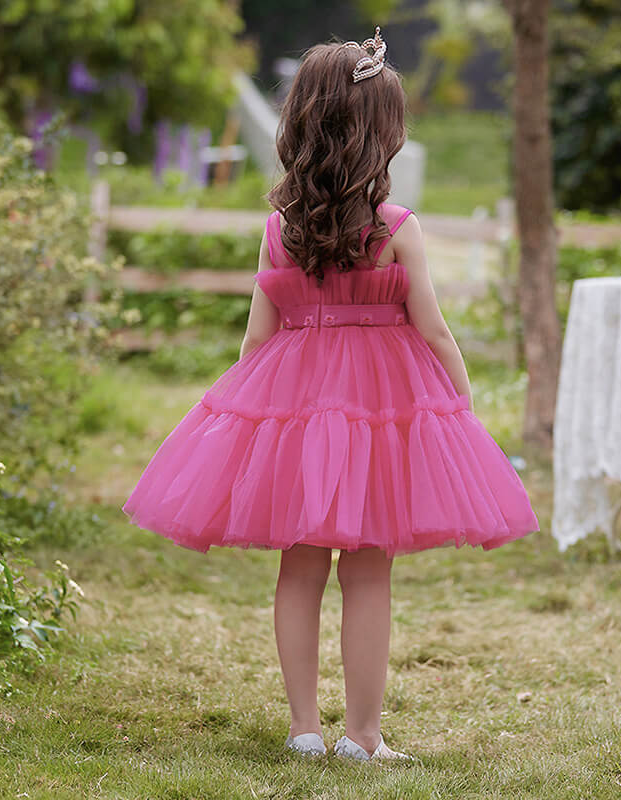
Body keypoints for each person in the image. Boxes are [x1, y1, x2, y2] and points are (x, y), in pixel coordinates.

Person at [121, 27, 540, 763]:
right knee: (370, 566)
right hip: (383, 412)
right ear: (378, 136)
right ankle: (364, 737)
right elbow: (435, 332)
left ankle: (305, 730)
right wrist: (460, 409)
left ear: (302, 127)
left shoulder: (278, 230)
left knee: (301, 561)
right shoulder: (396, 230)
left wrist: (250, 417)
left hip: (300, 406)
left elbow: (258, 339)